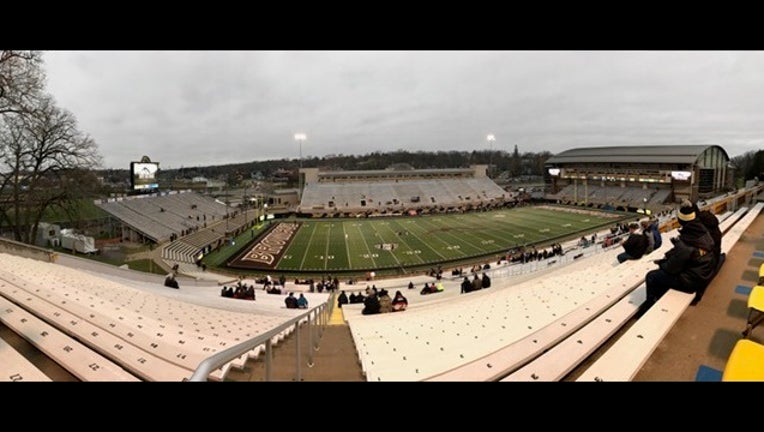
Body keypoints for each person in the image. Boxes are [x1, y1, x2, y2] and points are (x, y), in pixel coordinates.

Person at [641, 202, 718, 314]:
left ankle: (650, 306)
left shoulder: (687, 239)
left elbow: (672, 268)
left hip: (692, 281)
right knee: (662, 273)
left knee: (652, 276)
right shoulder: (703, 231)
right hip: (703, 273)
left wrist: (662, 263)